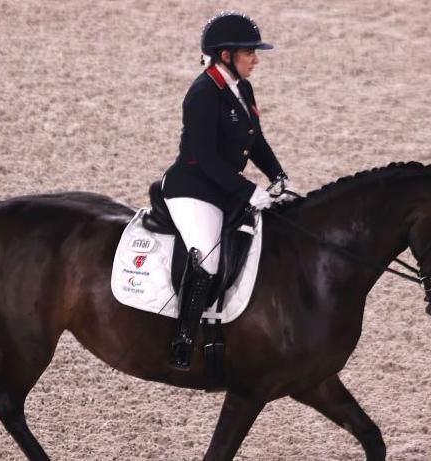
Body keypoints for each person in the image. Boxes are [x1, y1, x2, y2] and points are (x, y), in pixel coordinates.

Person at [161, 11, 292, 369]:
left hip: (222, 188)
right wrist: (248, 190)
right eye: (249, 52)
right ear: (225, 56)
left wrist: (278, 174)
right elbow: (203, 157)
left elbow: (256, 139)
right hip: (192, 188)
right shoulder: (203, 92)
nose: (255, 59)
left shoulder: (241, 87)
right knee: (207, 255)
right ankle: (183, 339)